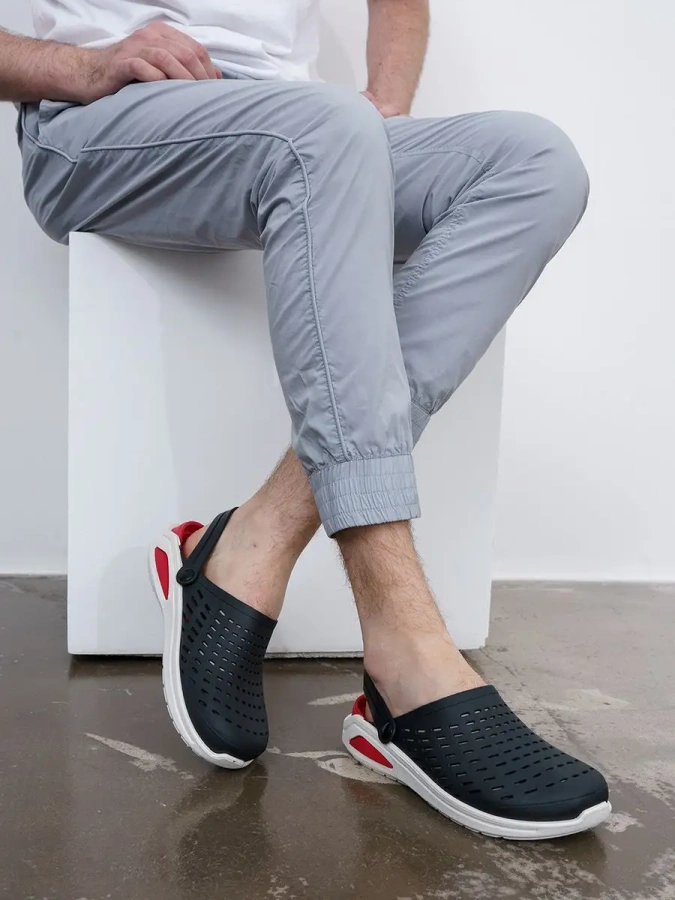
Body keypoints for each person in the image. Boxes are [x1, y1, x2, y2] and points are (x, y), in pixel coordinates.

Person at [3, 0, 611, 840]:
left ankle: (252, 540)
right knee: (321, 129)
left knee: (534, 163)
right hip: (103, 125)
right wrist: (80, 67)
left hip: (302, 123)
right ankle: (404, 654)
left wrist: (383, 102)